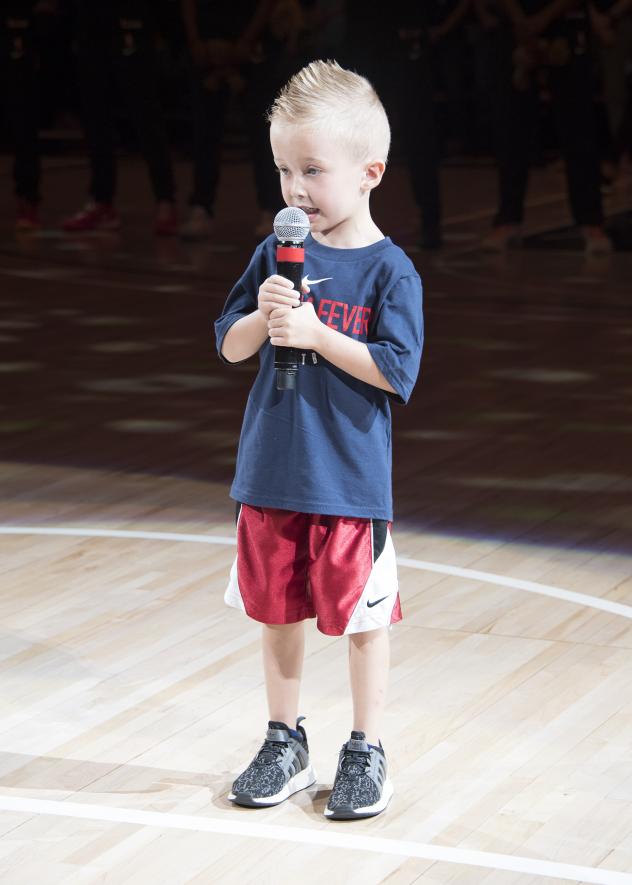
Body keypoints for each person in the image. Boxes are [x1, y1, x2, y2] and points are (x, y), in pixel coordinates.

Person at [214, 60, 423, 819]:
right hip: (271, 472)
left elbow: (396, 372)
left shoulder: (389, 271)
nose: (294, 190)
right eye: (282, 170)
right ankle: (284, 738)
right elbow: (231, 346)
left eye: (311, 170)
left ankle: (366, 746)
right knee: (277, 613)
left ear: (370, 172)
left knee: (362, 622)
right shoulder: (276, 255)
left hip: (349, 482)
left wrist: (313, 333)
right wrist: (261, 317)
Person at [480, 0, 612, 253]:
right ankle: (508, 219)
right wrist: (519, 19)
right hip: (515, 29)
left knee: (578, 132)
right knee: (511, 132)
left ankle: (591, 220)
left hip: (565, 26)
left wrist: (544, 17)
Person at [62, 0, 177, 236]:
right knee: (96, 119)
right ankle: (101, 201)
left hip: (132, 22)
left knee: (146, 118)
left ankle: (165, 201)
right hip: (93, 26)